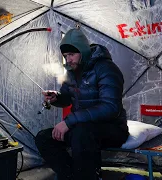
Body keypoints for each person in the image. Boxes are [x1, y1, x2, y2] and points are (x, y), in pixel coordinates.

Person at [35, 28, 129, 180]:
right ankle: (72, 176)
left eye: (71, 54)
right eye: (65, 56)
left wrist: (69, 121)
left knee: (81, 134)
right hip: (82, 127)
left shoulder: (106, 69)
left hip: (112, 128)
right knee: (44, 138)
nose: (68, 59)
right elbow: (67, 97)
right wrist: (56, 98)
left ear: (83, 51)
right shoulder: (72, 72)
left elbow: (110, 108)